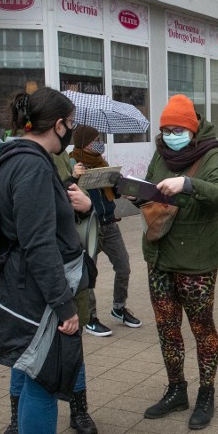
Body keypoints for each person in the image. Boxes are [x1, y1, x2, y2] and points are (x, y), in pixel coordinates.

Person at [0, 87, 93, 434]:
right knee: (44, 383)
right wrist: (63, 304)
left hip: (29, 285)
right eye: (70, 122)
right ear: (56, 124)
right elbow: (37, 242)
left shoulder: (19, 158)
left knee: (34, 376)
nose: (71, 129)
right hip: (42, 290)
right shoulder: (30, 166)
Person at [140, 94, 218, 429]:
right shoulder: (160, 154)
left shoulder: (211, 156)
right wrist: (138, 192)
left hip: (196, 261)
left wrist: (190, 184)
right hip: (160, 256)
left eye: (178, 128)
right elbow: (152, 186)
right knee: (167, 329)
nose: (171, 134)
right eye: (166, 129)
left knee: (202, 329)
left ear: (192, 129)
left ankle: (206, 393)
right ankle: (176, 389)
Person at [0, 150, 100, 434]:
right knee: (24, 347)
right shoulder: (21, 159)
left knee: (71, 345)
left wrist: (86, 206)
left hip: (68, 271)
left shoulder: (59, 158)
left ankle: (79, 409)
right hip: (28, 275)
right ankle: (17, 419)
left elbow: (84, 228)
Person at [68, 125, 141, 336]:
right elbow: (66, 192)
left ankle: (119, 308)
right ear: (83, 142)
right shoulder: (72, 162)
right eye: (94, 140)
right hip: (88, 225)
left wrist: (119, 184)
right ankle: (89, 317)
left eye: (99, 139)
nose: (98, 143)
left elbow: (114, 195)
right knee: (88, 273)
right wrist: (74, 176)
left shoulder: (102, 162)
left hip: (109, 222)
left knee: (123, 266)